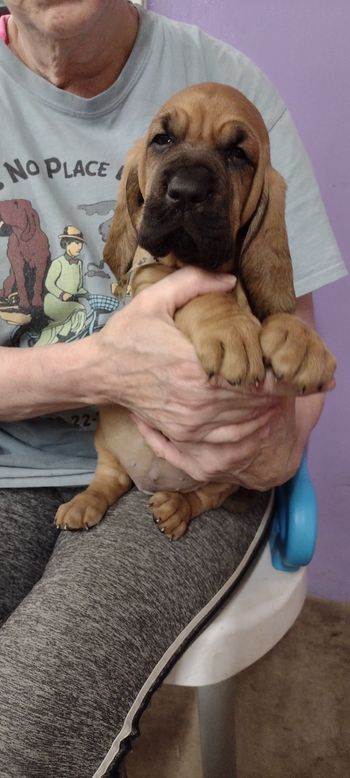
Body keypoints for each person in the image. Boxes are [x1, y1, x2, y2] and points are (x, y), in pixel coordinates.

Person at [0, 2, 346, 776]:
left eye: (231, 159)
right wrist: (100, 367)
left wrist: (271, 443)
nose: (193, 178)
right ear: (135, 181)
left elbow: (297, 346)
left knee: (21, 724)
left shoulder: (235, 83)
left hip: (186, 468)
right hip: (10, 458)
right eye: (167, 147)